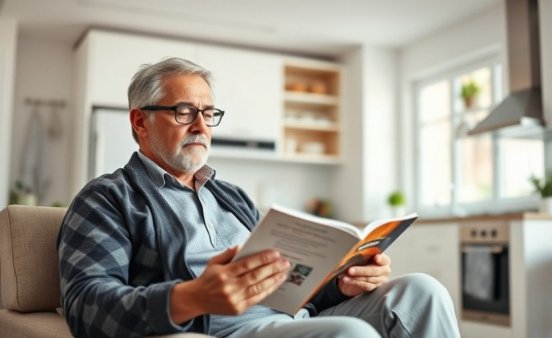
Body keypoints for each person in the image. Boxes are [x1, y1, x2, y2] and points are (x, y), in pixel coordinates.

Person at [57, 57, 461, 338]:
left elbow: (289, 285)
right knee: (350, 333)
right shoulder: (107, 198)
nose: (201, 125)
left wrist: (343, 285)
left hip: (291, 316)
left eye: (209, 113)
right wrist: (192, 296)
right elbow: (86, 305)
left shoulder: (231, 196)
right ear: (139, 121)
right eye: (184, 111)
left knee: (423, 292)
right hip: (229, 328)